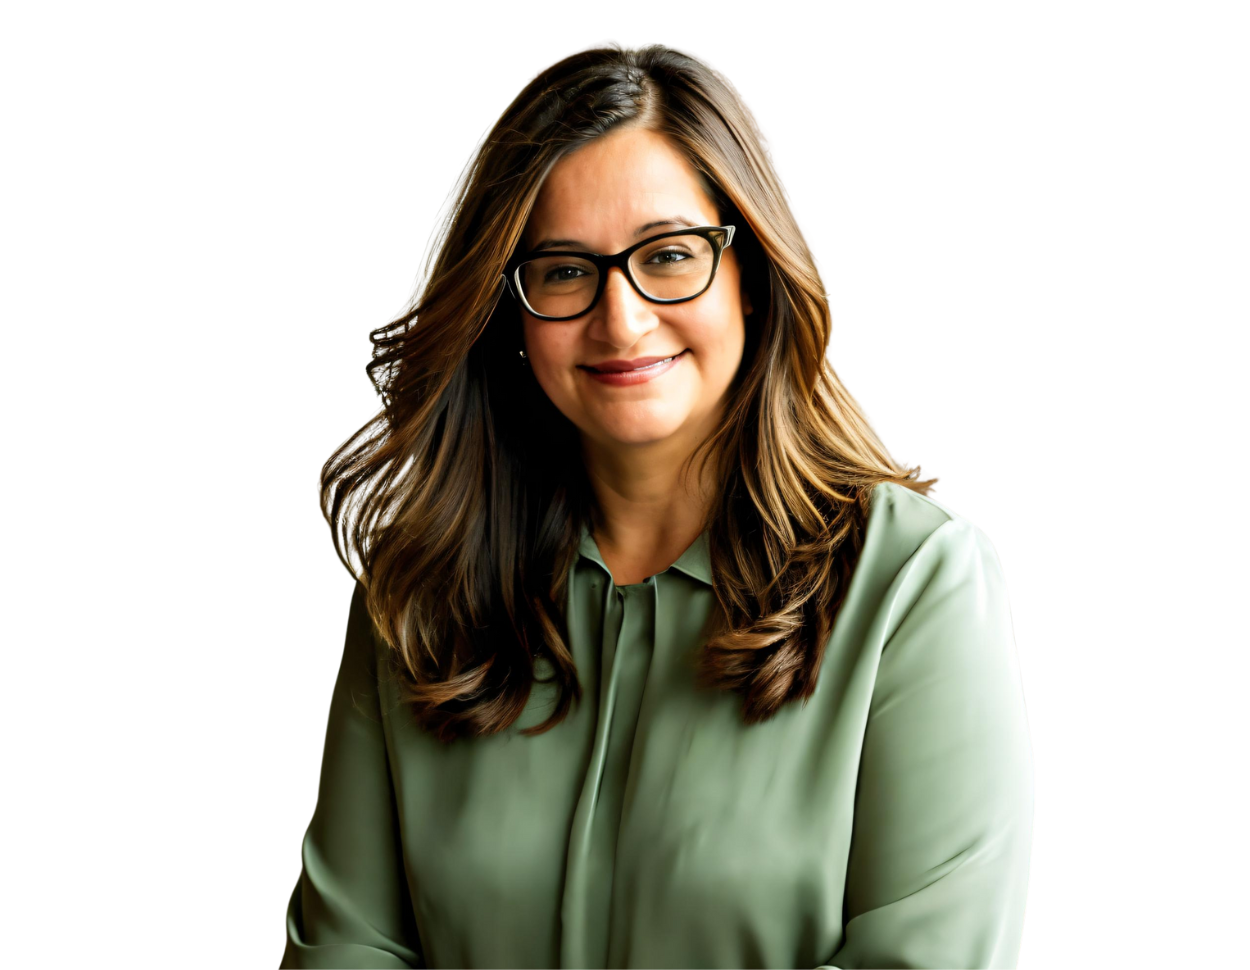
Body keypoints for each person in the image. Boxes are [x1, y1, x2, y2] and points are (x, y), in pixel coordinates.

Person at [281, 41, 1036, 970]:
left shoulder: (917, 585)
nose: (621, 319)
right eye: (563, 270)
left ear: (752, 274)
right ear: (507, 311)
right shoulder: (419, 587)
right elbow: (348, 947)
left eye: (670, 256)